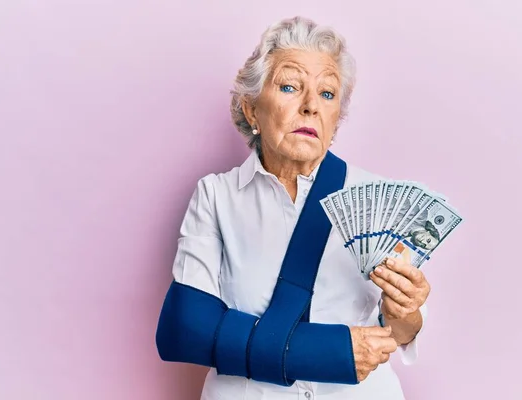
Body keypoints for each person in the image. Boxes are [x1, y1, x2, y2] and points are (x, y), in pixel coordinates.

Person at [156, 16, 431, 400]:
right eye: (289, 87)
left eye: (327, 94)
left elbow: (400, 334)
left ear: (336, 119)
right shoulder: (216, 196)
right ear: (251, 109)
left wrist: (405, 311)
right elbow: (185, 331)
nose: (310, 107)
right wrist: (328, 352)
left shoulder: (378, 199)